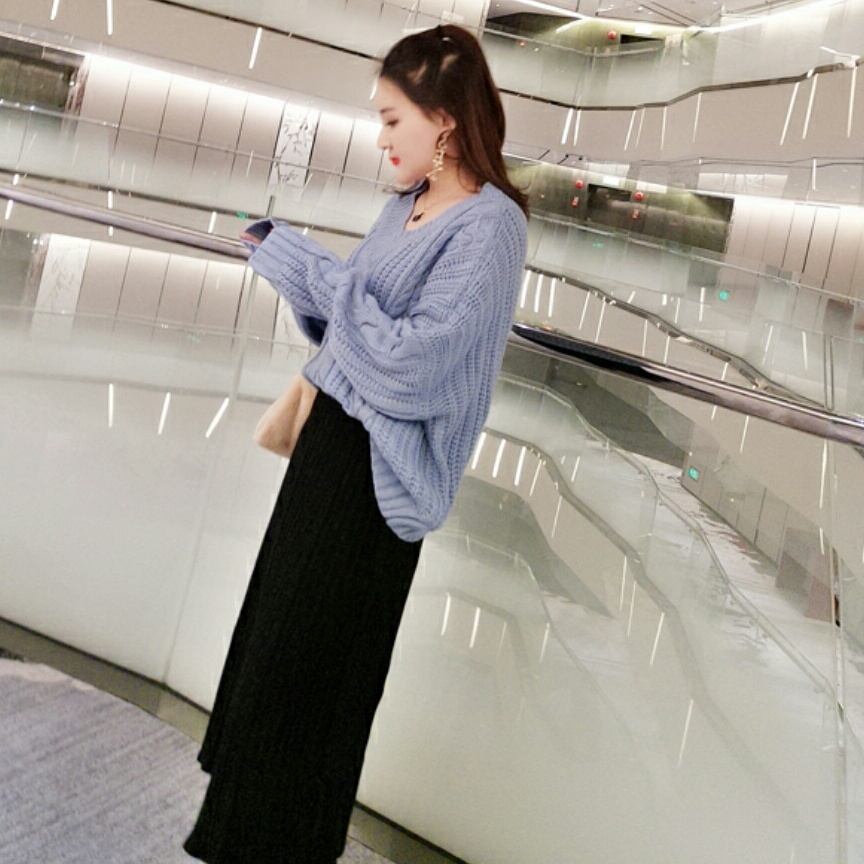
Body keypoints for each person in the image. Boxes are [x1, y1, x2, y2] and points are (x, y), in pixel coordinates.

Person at [182, 22, 530, 864]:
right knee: (274, 657)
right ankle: (234, 840)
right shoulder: (404, 205)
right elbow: (353, 332)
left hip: (376, 485)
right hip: (327, 456)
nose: (381, 138)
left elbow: (411, 367)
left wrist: (306, 268)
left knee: (312, 677)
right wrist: (314, 285)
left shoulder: (490, 229)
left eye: (391, 118)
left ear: (444, 120)